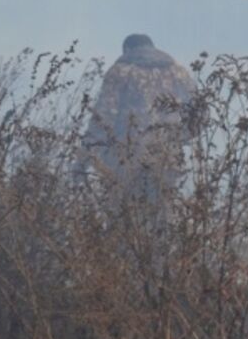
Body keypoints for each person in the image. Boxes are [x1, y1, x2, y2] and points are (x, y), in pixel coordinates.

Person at [84, 33, 196, 233]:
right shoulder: (179, 72)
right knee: (163, 218)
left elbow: (103, 117)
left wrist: (85, 157)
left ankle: (124, 261)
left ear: (127, 50)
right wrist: (181, 139)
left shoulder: (121, 72)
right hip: (167, 157)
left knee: (122, 219)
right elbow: (198, 112)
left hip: (125, 159)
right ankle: (162, 260)